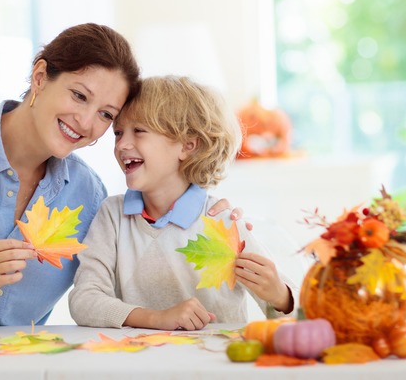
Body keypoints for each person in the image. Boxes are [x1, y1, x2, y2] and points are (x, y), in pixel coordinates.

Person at [0, 24, 243, 327]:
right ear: (40, 77)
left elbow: (124, 279)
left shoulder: (88, 194)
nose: (87, 122)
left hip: (18, 365)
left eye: (107, 115)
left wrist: (201, 216)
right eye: (79, 95)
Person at [69, 76, 296, 331]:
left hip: (215, 367)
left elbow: (298, 316)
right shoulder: (112, 216)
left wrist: (280, 296)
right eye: (118, 132)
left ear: (187, 146)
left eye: (139, 131)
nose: (122, 144)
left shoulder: (223, 222)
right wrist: (155, 318)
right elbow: (84, 300)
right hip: (138, 367)